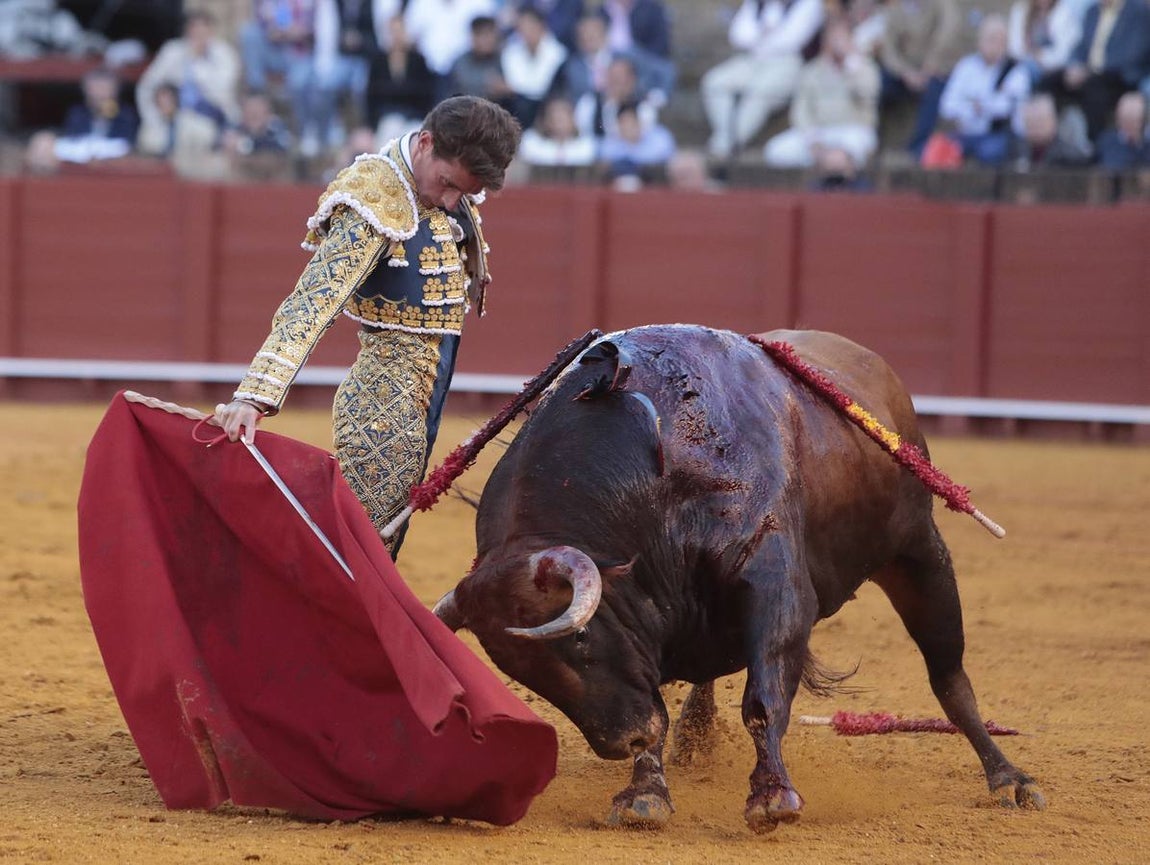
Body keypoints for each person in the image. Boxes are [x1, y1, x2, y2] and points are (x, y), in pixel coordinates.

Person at [213, 96, 521, 556]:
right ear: (425, 143)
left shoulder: (439, 184)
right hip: (381, 409)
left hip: (422, 399)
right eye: (448, 184)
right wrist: (254, 395)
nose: (451, 201)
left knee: (377, 549)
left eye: (463, 192)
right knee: (360, 554)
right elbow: (312, 302)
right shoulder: (375, 198)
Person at [700, 0, 826, 159]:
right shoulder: (757, 3)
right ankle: (726, 140)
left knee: (760, 92)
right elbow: (738, 35)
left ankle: (722, 146)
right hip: (752, 60)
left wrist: (760, 36)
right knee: (715, 83)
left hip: (788, 62)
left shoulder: (809, 3)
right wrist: (766, 34)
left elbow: (792, 40)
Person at [762, 17, 881, 173]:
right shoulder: (812, 70)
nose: (837, 43)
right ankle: (827, 164)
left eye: (842, 37)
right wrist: (814, 141)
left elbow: (866, 99)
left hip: (853, 130)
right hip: (819, 133)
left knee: (856, 146)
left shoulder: (865, 68)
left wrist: (852, 68)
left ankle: (837, 165)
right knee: (775, 151)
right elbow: (801, 110)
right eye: (833, 38)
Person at [135, 10, 241, 178]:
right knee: (151, 139)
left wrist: (196, 61)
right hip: (170, 117)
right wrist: (153, 117)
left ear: (211, 31)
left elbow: (220, 92)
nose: (198, 33)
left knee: (198, 136)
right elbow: (147, 87)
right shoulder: (172, 50)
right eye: (194, 28)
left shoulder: (224, 54)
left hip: (210, 118)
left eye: (203, 29)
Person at [1037, 0, 1150, 142]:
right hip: (1088, 74)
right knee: (1049, 81)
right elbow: (1081, 46)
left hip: (1120, 77)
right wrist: (1075, 65)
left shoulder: (1137, 11)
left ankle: (1094, 144)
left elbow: (1134, 54)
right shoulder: (1092, 12)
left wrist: (1089, 71)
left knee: (1095, 87)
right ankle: (1044, 139)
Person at [937, 14, 1032, 166]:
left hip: (997, 135)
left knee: (989, 153)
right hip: (965, 133)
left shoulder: (1015, 70)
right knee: (937, 151)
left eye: (1000, 39)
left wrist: (980, 105)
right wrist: (973, 109)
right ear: (979, 40)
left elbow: (1009, 107)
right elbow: (947, 105)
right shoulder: (965, 66)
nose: (995, 44)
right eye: (990, 39)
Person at [878, 0, 963, 158]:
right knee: (879, 84)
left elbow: (949, 28)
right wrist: (906, 73)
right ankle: (875, 139)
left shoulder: (940, 4)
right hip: (904, 71)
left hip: (934, 69)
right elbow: (889, 51)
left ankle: (918, 147)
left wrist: (929, 67)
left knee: (934, 90)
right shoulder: (895, 9)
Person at [24, 66, 140, 171]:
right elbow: (74, 139)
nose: (99, 94)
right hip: (80, 160)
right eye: (95, 88)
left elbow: (127, 144)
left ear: (115, 91)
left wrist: (106, 115)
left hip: (113, 164)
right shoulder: (77, 112)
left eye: (104, 88)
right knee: (43, 141)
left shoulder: (125, 114)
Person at [366, 13, 437, 143]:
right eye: (392, 32)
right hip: (387, 117)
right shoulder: (378, 61)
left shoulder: (418, 60)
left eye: (399, 31)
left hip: (414, 117)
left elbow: (426, 93)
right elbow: (371, 95)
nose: (396, 36)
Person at [501, 5, 569, 128]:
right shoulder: (510, 52)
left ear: (541, 25)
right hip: (517, 108)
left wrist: (515, 89)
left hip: (545, 109)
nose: (525, 31)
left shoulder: (558, 53)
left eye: (530, 26)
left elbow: (541, 88)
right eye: (521, 27)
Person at [1007, 0, 1082, 83]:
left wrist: (1042, 56)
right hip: (1025, 64)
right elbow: (1015, 49)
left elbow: (1063, 54)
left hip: (1053, 69)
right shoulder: (1021, 11)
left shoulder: (1064, 13)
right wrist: (1031, 55)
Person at [517, 93, 597, 167]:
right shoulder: (531, 141)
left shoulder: (585, 144)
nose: (558, 120)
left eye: (563, 116)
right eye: (554, 115)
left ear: (572, 119)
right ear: (545, 119)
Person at [1095, 90, 1150, 168]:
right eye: (1126, 120)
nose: (1130, 126)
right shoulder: (1106, 142)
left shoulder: (1147, 145)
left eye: (1134, 120)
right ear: (1118, 119)